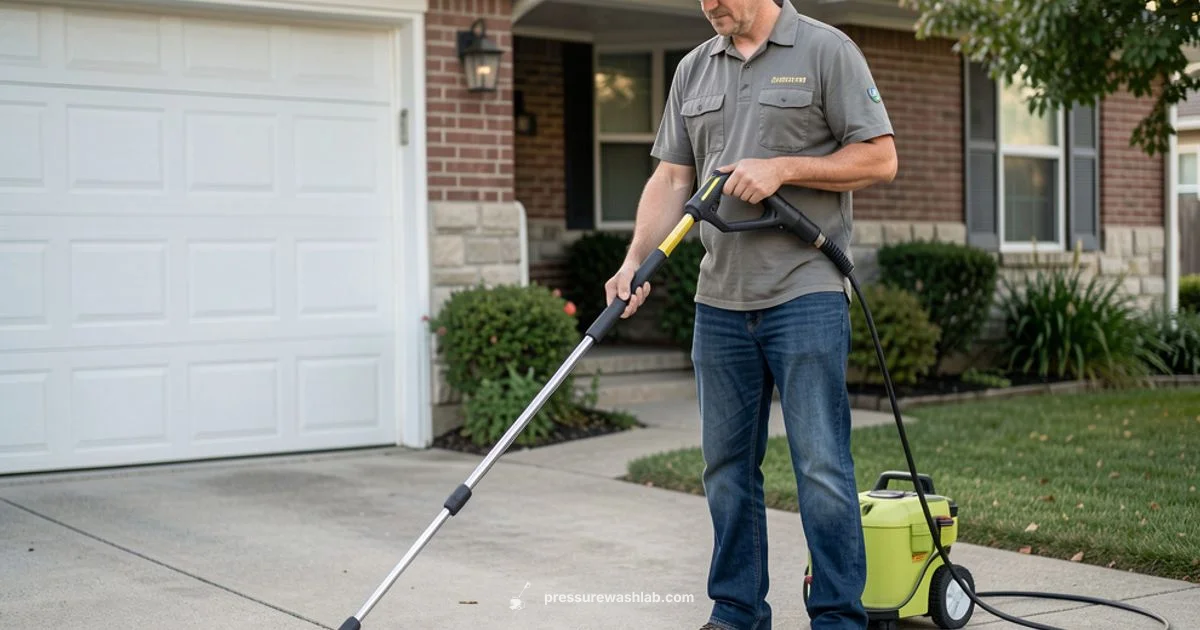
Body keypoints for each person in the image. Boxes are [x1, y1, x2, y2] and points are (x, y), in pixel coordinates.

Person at [603, 1, 897, 628]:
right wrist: (634, 261)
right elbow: (671, 177)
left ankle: (838, 616)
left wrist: (783, 168)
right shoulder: (694, 69)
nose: (709, 5)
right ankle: (737, 610)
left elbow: (879, 157)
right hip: (720, 298)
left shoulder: (826, 50)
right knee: (726, 467)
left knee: (820, 465)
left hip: (806, 289)